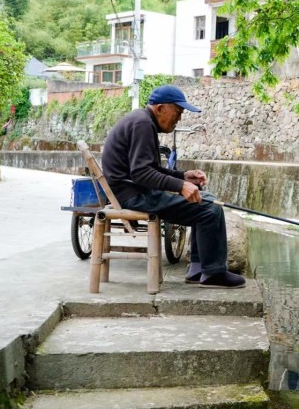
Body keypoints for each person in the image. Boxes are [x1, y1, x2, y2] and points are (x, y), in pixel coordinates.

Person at [100, 84, 245, 288]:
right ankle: (213, 273)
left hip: (133, 191)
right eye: (177, 112)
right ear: (160, 108)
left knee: (206, 199)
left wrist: (183, 176)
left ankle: (198, 268)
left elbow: (150, 169)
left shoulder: (142, 120)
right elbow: (141, 173)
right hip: (133, 196)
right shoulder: (142, 124)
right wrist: (180, 186)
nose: (179, 118)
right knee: (211, 209)